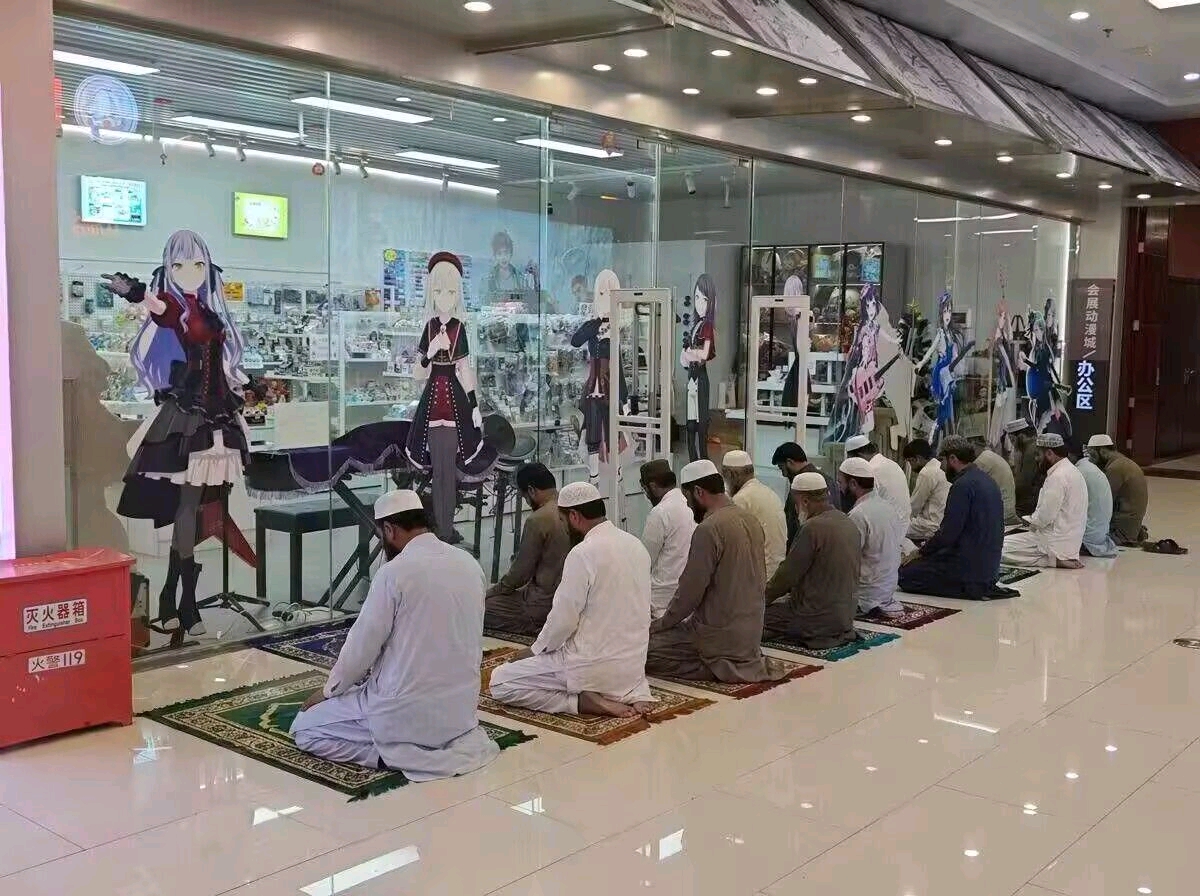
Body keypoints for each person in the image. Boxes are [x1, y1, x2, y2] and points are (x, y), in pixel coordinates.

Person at [290, 490, 499, 779]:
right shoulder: (469, 564)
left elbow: (361, 647)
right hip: (460, 713)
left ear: (389, 530)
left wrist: (329, 691)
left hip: (404, 712)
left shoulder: (394, 573)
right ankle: (410, 746)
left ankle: (388, 756)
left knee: (305, 728)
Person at [489, 481, 655, 718]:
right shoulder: (636, 545)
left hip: (589, 667)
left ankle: (579, 702)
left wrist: (536, 650)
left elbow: (563, 620)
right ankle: (624, 693)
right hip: (632, 670)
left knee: (500, 681)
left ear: (574, 516)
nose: (564, 529)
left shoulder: (582, 553)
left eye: (563, 521)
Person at [646, 460, 781, 682]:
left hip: (718, 637)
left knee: (641, 650)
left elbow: (689, 594)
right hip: (751, 635)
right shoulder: (750, 520)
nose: (689, 507)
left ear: (698, 492)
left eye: (688, 499)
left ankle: (719, 667)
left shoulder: (709, 529)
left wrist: (661, 624)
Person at [898, 438, 1008, 600]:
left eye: (942, 460)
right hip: (990, 569)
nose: (941, 467)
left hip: (970, 571)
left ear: (953, 459)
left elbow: (948, 534)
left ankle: (967, 588)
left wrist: (920, 552)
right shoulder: (987, 480)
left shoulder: (962, 485)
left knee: (905, 574)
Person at [762, 471, 861, 648]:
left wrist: (761, 600)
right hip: (845, 617)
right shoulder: (848, 522)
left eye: (796, 503)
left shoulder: (812, 528)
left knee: (750, 617)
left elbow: (786, 577)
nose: (796, 509)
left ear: (805, 501)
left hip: (815, 618)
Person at [484, 463, 572, 636]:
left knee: (481, 607)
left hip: (541, 605)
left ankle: (537, 629)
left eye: (524, 496)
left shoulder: (538, 519)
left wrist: (490, 592)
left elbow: (519, 575)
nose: (526, 501)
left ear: (531, 491)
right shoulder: (572, 509)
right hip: (569, 600)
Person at [1002, 433, 1088, 568]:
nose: (1036, 459)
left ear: (1049, 453)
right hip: (1070, 542)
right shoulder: (1073, 471)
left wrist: (1028, 520)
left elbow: (1044, 518)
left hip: (1053, 541)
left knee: (998, 548)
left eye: (1038, 455)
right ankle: (1054, 559)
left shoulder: (1058, 477)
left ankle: (1052, 560)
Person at [840, 457, 905, 620]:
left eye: (841, 483)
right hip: (888, 589)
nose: (839, 489)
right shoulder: (888, 507)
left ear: (853, 484)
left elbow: (847, 560)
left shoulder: (858, 515)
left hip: (865, 595)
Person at [639, 459, 697, 619]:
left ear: (652, 486)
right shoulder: (689, 504)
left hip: (661, 602)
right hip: (688, 598)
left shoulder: (660, 513)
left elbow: (645, 559)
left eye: (645, 489)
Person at [722, 450, 788, 578]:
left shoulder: (742, 499)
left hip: (759, 576)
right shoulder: (769, 492)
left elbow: (731, 544)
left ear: (730, 474)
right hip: (775, 571)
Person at [845, 434, 910, 546]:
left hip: (890, 533)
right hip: (901, 526)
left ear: (859, 457)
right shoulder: (891, 463)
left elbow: (866, 507)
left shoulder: (870, 470)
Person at [772, 441, 839, 549]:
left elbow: (793, 526)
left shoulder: (800, 488)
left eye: (782, 468)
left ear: (790, 462)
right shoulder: (830, 481)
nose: (783, 474)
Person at [1088, 434, 1149, 545]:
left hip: (1121, 529)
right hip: (1131, 524)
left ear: (1102, 451)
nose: (1091, 460)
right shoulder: (1122, 462)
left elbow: (1102, 503)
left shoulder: (1115, 469)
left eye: (1093, 455)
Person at [1069, 441, 1117, 558]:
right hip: (1100, 535)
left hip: (1088, 539)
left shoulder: (1079, 471)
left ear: (1070, 455)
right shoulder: (1090, 467)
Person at [904, 438, 950, 541]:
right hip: (941, 522)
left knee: (895, 527)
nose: (911, 466)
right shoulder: (939, 467)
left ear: (918, 458)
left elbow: (914, 506)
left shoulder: (927, 472)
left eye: (910, 461)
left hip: (929, 526)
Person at [973, 440, 1018, 524]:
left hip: (1001, 514)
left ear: (974, 445)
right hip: (1008, 509)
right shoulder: (990, 455)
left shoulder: (982, 460)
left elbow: (970, 485)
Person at [1008, 420, 1043, 516]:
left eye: (1013, 440)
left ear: (1021, 437)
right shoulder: (1030, 447)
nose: (1013, 445)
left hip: (1030, 502)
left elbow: (1024, 482)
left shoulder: (1030, 451)